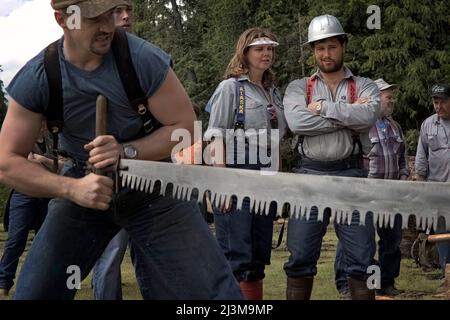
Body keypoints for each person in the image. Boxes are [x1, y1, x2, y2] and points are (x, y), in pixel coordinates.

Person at [0, 0, 242, 300]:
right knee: (34, 294)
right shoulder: (39, 76)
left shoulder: (142, 59)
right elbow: (6, 161)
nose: (107, 27)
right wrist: (72, 189)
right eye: (93, 19)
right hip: (84, 185)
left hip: (153, 187)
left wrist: (127, 152)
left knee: (215, 294)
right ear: (62, 19)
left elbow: (186, 127)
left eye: (110, 14)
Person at [283, 14, 380, 300]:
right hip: (308, 176)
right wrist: (348, 115)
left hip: (351, 175)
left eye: (332, 47)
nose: (326, 54)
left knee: (362, 259)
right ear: (313, 51)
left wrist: (322, 106)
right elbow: (298, 123)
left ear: (343, 46)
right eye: (319, 48)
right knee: (299, 258)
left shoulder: (366, 86)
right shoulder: (298, 87)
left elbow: (369, 115)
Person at [204, 27, 287, 299]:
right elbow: (215, 135)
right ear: (245, 52)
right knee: (236, 255)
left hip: (264, 174)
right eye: (260, 48)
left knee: (257, 255)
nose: (267, 53)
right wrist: (222, 183)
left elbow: (277, 140)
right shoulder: (230, 88)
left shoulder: (272, 92)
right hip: (235, 171)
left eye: (270, 49)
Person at [335, 78, 409, 297]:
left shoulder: (395, 126)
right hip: (365, 194)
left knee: (391, 242)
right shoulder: (361, 126)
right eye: (388, 94)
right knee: (356, 240)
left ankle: (385, 282)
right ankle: (346, 283)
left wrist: (404, 174)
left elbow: (402, 157)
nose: (391, 98)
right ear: (375, 98)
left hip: (391, 193)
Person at [90, 0, 133, 301]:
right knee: (111, 252)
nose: (126, 16)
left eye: (129, 9)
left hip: (145, 172)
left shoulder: (145, 58)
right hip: (106, 174)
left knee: (155, 258)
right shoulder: (91, 61)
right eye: (118, 11)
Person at [0, 120, 52, 298]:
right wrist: (50, 164)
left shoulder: (53, 141)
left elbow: (63, 165)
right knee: (16, 240)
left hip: (47, 196)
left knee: (44, 243)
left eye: (45, 123)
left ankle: (38, 282)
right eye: (41, 123)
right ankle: (3, 282)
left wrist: (43, 160)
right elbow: (25, 164)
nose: (43, 126)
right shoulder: (24, 140)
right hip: (24, 193)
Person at [415, 83, 450, 295]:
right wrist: (421, 186)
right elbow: (421, 158)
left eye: (443, 101)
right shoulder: (428, 125)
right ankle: (447, 274)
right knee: (442, 233)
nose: (438, 106)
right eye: (435, 102)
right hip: (437, 190)